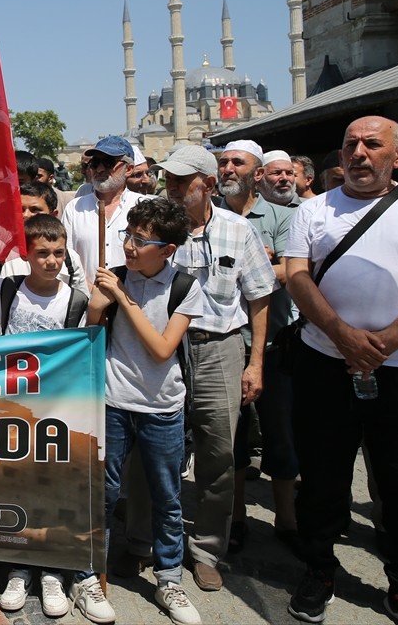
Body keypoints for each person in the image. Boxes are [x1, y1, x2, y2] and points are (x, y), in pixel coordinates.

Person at [283, 116, 398, 625]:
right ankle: (320, 570)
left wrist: (388, 341)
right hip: (325, 363)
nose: (359, 152)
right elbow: (297, 277)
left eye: (373, 144)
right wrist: (342, 335)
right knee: (323, 476)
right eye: (351, 144)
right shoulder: (312, 211)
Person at [132, 144, 274, 593]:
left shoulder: (236, 229)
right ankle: (142, 542)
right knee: (148, 450)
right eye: (167, 179)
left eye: (180, 181)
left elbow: (259, 296)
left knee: (217, 453)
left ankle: (208, 549)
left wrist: (254, 362)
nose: (169, 188)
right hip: (158, 351)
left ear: (207, 185)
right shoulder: (147, 227)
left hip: (218, 349)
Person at [0, 214, 92, 618]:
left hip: (58, 412)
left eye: (58, 253)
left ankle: (53, 572)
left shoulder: (78, 300)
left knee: (53, 489)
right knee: (17, 489)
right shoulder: (8, 289)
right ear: (26, 254)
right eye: (42, 253)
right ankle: (20, 567)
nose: (51, 261)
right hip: (12, 410)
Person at [85, 197, 205, 625]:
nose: (130, 247)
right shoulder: (116, 277)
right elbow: (90, 332)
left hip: (162, 406)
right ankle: (89, 575)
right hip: (113, 402)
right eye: (127, 236)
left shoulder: (184, 286)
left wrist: (120, 295)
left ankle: (169, 578)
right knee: (102, 492)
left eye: (141, 240)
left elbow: (161, 349)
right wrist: (99, 303)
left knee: (167, 497)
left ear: (167, 250)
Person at [214, 140, 298, 555]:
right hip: (226, 345)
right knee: (233, 440)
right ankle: (237, 518)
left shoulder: (284, 216)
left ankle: (287, 519)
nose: (228, 169)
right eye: (223, 162)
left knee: (281, 434)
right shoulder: (208, 218)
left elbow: (294, 269)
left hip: (275, 345)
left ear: (258, 174)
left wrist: (258, 264)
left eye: (237, 163)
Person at [61, 136, 150, 283]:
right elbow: (66, 258)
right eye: (95, 163)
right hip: (87, 299)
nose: (100, 169)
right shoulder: (75, 208)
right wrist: (87, 291)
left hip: (133, 301)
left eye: (109, 163)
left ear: (128, 169)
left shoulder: (145, 206)